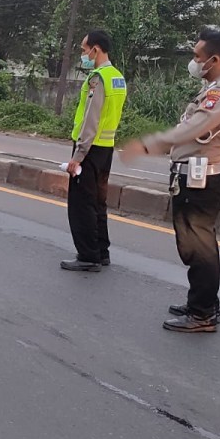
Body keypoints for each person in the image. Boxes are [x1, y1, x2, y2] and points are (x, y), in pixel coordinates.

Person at [121, 29, 220, 333]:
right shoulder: (217, 87)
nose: (194, 62)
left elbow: (192, 130)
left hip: (201, 183)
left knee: (198, 248)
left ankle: (202, 313)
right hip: (194, 178)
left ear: (214, 60)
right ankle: (201, 303)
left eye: (197, 57)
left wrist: (149, 145)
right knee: (195, 245)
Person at [62, 30, 127, 272]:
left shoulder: (97, 78)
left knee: (82, 205)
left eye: (83, 49)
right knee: (99, 203)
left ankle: (88, 255)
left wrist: (77, 156)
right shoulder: (117, 77)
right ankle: (101, 251)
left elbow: (91, 119)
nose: (83, 54)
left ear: (95, 49)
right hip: (106, 149)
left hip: (89, 149)